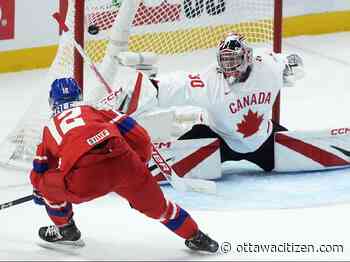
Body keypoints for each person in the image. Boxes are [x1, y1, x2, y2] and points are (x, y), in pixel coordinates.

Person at [30, 77, 219, 253]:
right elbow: (141, 137)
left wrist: (40, 194)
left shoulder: (49, 128)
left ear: (52, 101)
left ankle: (65, 229)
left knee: (45, 185)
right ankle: (196, 236)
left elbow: (40, 169)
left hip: (86, 179)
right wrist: (139, 164)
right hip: (126, 164)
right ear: (79, 95)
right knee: (161, 208)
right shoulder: (98, 110)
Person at [148, 32, 304, 172]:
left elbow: (289, 63)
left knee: (300, 158)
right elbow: (181, 85)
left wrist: (292, 68)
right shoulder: (210, 81)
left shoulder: (268, 67)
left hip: (262, 138)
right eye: (225, 61)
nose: (228, 67)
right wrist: (150, 88)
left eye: (234, 60)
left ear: (247, 57)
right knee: (198, 135)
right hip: (217, 139)